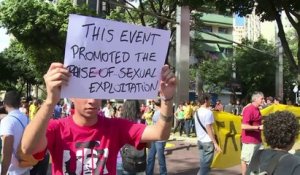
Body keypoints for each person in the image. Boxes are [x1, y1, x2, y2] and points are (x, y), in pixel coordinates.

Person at [21, 62, 176, 175]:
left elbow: (160, 133)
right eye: (85, 93)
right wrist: (50, 100)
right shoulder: (57, 128)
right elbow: (28, 148)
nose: (92, 100)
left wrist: (166, 99)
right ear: (71, 96)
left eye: (97, 92)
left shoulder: (115, 127)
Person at [0, 91, 31, 175]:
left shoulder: (7, 121)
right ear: (19, 103)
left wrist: (3, 172)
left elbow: (7, 152)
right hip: (26, 167)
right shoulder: (27, 119)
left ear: (5, 103)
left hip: (12, 171)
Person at [194, 93, 222, 175]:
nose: (210, 101)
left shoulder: (197, 112)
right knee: (205, 167)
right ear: (205, 100)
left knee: (203, 165)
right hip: (208, 142)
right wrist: (215, 143)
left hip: (200, 140)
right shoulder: (208, 112)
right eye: (209, 100)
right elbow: (209, 128)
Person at [117, 100, 145, 175]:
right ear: (137, 109)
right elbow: (149, 145)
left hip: (120, 159)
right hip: (137, 161)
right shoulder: (142, 124)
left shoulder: (118, 123)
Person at [241, 91, 264, 175]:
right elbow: (243, 126)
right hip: (249, 142)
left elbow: (257, 122)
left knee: (257, 162)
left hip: (258, 141)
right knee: (246, 161)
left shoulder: (257, 109)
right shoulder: (249, 109)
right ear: (255, 99)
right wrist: (258, 127)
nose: (263, 100)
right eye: (262, 98)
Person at [146, 99, 168, 175]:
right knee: (150, 157)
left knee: (160, 159)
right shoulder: (156, 111)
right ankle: (149, 173)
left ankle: (163, 173)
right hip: (153, 137)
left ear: (156, 104)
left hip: (160, 139)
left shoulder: (161, 113)